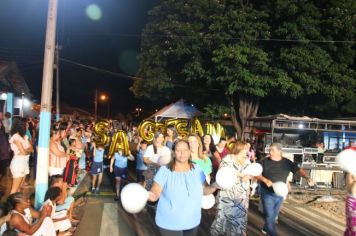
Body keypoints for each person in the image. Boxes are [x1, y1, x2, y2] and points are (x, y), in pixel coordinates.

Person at [148, 140, 218, 236]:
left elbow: (204, 190)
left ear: (189, 151)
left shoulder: (197, 169)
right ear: (173, 152)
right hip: (169, 223)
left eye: (185, 150)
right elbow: (155, 190)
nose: (182, 153)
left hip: (192, 221)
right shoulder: (164, 170)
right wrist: (152, 195)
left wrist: (215, 185)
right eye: (178, 150)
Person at [255, 143, 313, 236]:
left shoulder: (287, 162)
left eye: (272, 150)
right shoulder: (264, 161)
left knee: (273, 216)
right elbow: (256, 172)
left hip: (280, 193)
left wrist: (307, 177)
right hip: (267, 192)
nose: (270, 152)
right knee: (270, 215)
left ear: (279, 151)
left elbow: (298, 170)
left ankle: (266, 227)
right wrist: (264, 179)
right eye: (270, 150)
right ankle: (273, 233)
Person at [211, 141, 253, 236]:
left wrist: (249, 179)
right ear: (238, 148)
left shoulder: (246, 159)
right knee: (224, 216)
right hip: (228, 192)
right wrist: (242, 175)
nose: (246, 150)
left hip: (242, 193)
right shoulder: (227, 158)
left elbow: (251, 172)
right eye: (244, 148)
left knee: (239, 217)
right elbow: (222, 172)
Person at [9, 118, 33, 194]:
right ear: (21, 126)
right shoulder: (16, 137)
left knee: (19, 188)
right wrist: (26, 151)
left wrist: (26, 151)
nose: (27, 127)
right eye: (26, 125)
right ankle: (9, 205)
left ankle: (15, 205)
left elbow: (31, 149)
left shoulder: (25, 137)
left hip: (24, 163)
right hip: (18, 163)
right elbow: (24, 152)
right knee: (14, 189)